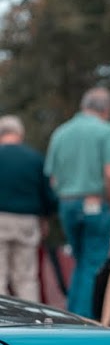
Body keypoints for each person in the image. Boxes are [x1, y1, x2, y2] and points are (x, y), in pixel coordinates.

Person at [45, 86, 110, 319]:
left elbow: (53, 178)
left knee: (80, 262)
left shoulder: (61, 132)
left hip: (67, 204)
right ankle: (84, 318)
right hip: (95, 203)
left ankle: (71, 314)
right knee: (92, 263)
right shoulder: (106, 130)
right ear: (107, 109)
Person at [0, 116, 56, 302]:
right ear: (20, 133)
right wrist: (45, 217)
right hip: (27, 220)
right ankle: (30, 315)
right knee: (26, 278)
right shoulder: (34, 158)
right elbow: (47, 194)